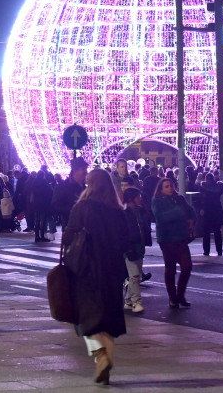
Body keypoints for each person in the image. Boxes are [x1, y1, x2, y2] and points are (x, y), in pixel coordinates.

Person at [63, 169, 128, 386]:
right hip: (113, 269)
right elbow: (127, 240)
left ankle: (101, 356)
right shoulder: (117, 210)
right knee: (108, 318)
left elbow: (68, 235)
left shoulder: (82, 208)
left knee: (86, 317)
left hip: (87, 269)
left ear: (90, 184)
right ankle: (105, 364)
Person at [152, 177, 196, 308]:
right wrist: (179, 212)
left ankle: (180, 294)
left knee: (187, 266)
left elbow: (190, 211)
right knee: (170, 268)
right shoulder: (157, 201)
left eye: (170, 185)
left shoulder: (179, 198)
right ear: (161, 189)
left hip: (181, 237)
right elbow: (161, 217)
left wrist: (191, 219)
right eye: (166, 186)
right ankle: (173, 297)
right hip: (167, 239)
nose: (170, 188)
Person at [122, 186, 152, 313]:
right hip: (130, 248)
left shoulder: (139, 211)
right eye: (138, 197)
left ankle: (128, 300)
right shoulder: (124, 212)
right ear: (131, 199)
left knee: (136, 274)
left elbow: (146, 222)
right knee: (134, 275)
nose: (140, 199)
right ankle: (136, 301)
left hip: (139, 246)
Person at [52, 158, 88, 231]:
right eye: (83, 169)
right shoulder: (63, 186)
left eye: (85, 169)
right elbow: (54, 206)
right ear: (75, 170)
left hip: (88, 228)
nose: (85, 171)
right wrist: (74, 209)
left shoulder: (88, 186)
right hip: (71, 228)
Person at [196, 173, 223, 256]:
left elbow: (199, 198)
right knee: (217, 232)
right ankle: (219, 250)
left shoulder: (203, 188)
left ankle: (206, 251)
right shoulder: (219, 188)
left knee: (206, 232)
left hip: (207, 210)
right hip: (217, 210)